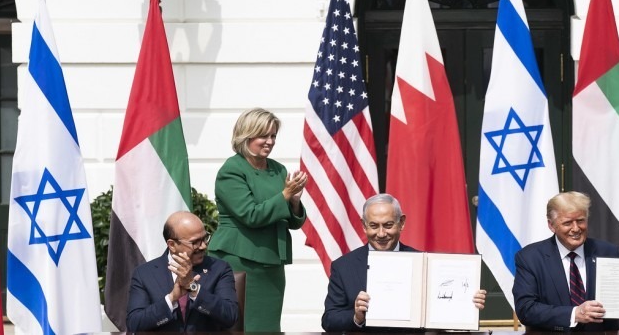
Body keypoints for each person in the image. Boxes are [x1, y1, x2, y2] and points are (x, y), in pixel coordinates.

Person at [512, 191, 619, 331]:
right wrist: (574, 313)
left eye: (580, 221)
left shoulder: (608, 252)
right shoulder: (530, 257)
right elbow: (526, 309)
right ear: (551, 225)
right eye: (567, 223)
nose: (576, 228)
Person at [322, 193, 487, 332]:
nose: (381, 233)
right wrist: (356, 316)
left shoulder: (424, 264)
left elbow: (442, 311)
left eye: (388, 225)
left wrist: (467, 303)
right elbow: (329, 320)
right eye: (374, 226)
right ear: (364, 226)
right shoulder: (343, 267)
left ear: (401, 223)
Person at [207, 108, 307, 332]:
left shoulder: (278, 169)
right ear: (246, 135)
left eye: (273, 136)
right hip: (239, 261)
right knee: (241, 327)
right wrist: (285, 195)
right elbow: (250, 215)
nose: (270, 141)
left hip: (272, 263)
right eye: (264, 135)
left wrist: (294, 202)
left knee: (268, 327)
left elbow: (292, 222)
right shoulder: (231, 170)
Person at [126, 211, 238, 332]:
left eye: (205, 238)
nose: (203, 246)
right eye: (195, 242)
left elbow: (230, 316)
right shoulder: (144, 274)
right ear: (172, 245)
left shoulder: (219, 268)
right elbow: (134, 323)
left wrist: (193, 288)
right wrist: (171, 298)